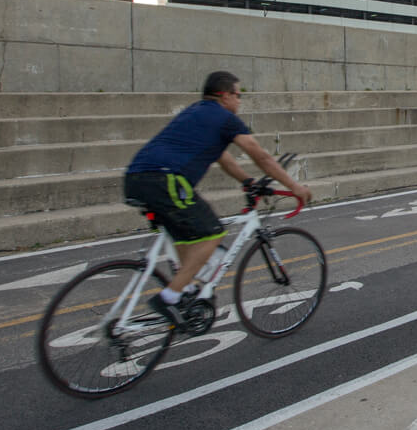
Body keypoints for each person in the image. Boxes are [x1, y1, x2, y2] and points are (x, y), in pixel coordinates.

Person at [123, 71, 313, 327]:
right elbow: (261, 156)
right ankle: (169, 297)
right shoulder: (224, 118)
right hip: (165, 181)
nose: (239, 101)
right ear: (224, 96)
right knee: (212, 234)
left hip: (136, 179)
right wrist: (294, 186)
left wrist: (247, 181)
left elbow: (223, 158)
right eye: (238, 95)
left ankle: (186, 289)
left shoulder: (195, 113)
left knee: (187, 235)